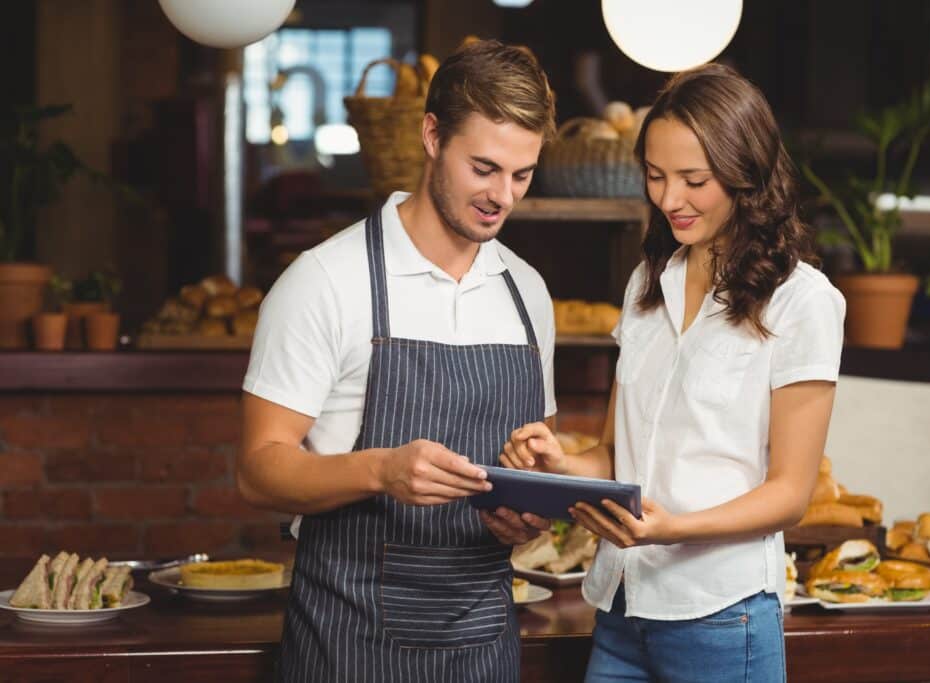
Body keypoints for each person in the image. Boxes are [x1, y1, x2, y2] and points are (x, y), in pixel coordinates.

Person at [502, 63, 846, 683]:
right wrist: (557, 461)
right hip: (620, 607)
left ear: (747, 173)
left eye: (694, 179)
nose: (669, 200)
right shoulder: (646, 285)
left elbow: (790, 493)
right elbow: (616, 456)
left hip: (722, 614)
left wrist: (671, 529)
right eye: (656, 177)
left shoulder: (803, 302)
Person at [237, 40, 558, 683]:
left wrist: (529, 511)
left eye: (521, 175)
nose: (503, 196)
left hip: (485, 649)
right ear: (432, 136)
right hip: (348, 648)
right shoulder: (326, 279)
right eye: (484, 168)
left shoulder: (527, 293)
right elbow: (257, 470)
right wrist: (382, 471)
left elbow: (532, 469)